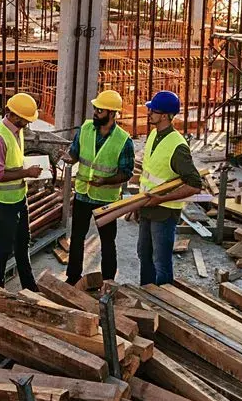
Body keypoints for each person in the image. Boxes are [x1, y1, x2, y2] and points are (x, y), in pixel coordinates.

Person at [64, 89, 134, 285]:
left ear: (112, 114)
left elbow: (127, 172)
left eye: (100, 110)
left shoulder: (123, 140)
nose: (95, 113)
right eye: (95, 109)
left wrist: (106, 181)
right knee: (77, 238)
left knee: (107, 242)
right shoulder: (85, 129)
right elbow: (75, 153)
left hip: (106, 199)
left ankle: (109, 280)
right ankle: (73, 277)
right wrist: (69, 158)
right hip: (83, 194)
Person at [136, 90, 201, 285]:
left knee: (161, 261)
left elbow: (195, 184)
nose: (149, 113)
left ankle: (163, 300)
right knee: (143, 253)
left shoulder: (177, 146)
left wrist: (161, 199)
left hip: (164, 211)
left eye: (152, 110)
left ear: (165, 115)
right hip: (147, 205)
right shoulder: (155, 134)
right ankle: (146, 292)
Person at [0, 92, 47, 287]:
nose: (27, 124)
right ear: (15, 115)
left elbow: (14, 161)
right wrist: (27, 172)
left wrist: (30, 169)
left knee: (22, 241)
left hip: (18, 195)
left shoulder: (15, 130)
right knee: (4, 246)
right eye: (26, 120)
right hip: (5, 200)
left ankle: (29, 285)